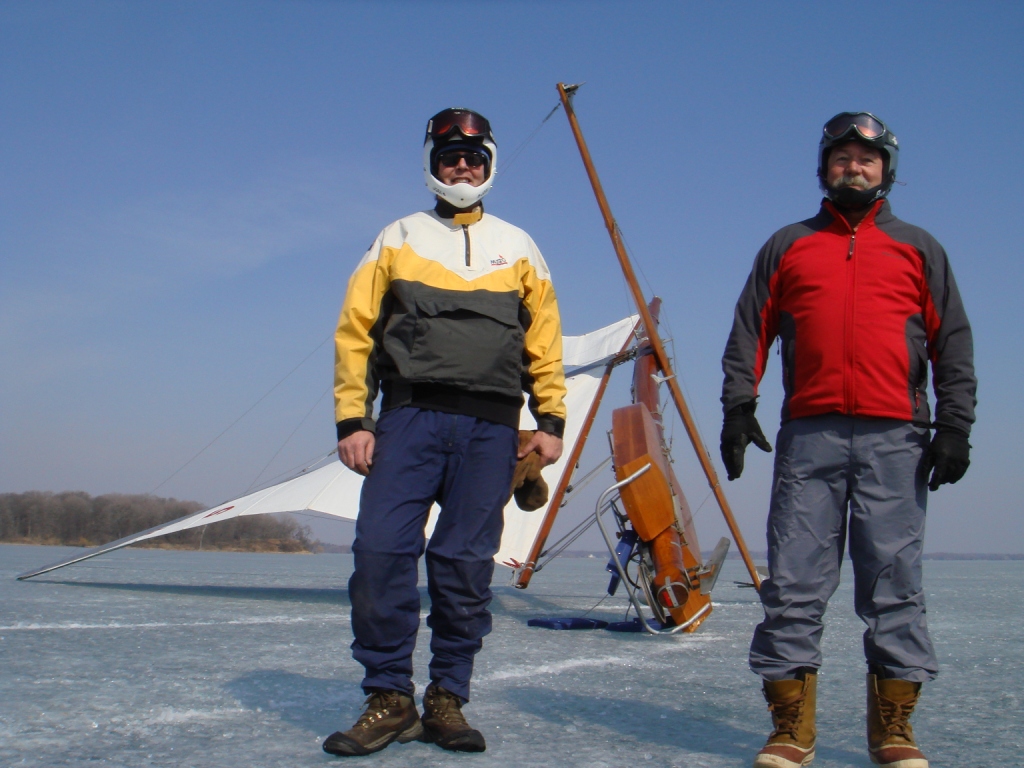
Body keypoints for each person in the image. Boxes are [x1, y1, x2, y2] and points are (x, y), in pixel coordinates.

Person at [720, 112, 976, 768]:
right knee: (796, 579)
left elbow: (952, 343)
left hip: (898, 437)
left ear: (886, 168)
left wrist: (954, 426)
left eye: (867, 158)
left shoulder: (919, 248)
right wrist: (738, 406)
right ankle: (789, 729)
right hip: (810, 436)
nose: (853, 167)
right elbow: (752, 326)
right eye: (841, 157)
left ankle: (895, 730)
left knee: (894, 581)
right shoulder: (789, 246)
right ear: (824, 167)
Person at [323, 107, 566, 757]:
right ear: (431, 163)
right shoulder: (397, 236)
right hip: (408, 418)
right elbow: (356, 331)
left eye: (474, 156)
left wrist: (549, 420)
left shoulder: (519, 245)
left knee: (462, 566)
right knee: (379, 550)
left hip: (491, 428)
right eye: (450, 155)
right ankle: (389, 698)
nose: (463, 165)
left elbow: (543, 340)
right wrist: (354, 417)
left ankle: (447, 699)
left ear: (490, 163)